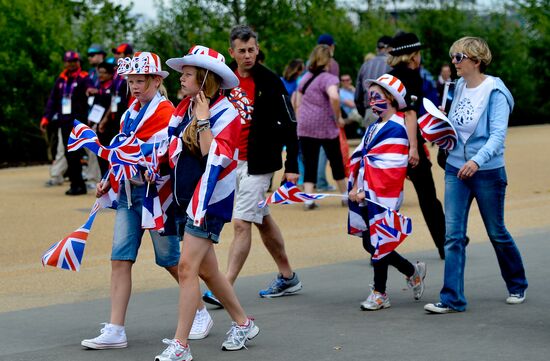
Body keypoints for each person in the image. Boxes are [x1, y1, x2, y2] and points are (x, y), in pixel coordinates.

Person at [80, 52, 209, 349]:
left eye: (140, 81)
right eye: (131, 81)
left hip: (156, 197)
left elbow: (169, 154)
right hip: (127, 192)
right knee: (120, 258)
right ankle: (115, 328)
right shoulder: (128, 113)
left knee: (171, 260)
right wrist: (107, 181)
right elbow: (121, 154)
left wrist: (148, 164)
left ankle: (199, 310)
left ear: (155, 80)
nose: (135, 86)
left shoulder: (167, 112)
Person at [154, 45, 259, 361]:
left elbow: (215, 156)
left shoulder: (227, 113)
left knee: (187, 268)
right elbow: (170, 149)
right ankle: (243, 323)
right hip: (186, 200)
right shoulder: (183, 107)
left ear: (204, 79)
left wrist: (202, 121)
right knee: (210, 273)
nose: (181, 78)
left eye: (187, 74)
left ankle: (181, 345)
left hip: (209, 202)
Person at [424, 37, 528, 314]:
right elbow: (454, 128)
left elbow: (497, 137)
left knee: (497, 232)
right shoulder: (456, 87)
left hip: (488, 172)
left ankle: (517, 283)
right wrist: (440, 125)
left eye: (458, 57)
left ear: (476, 60)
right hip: (455, 169)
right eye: (453, 57)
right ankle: (452, 299)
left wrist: (476, 161)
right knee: (453, 235)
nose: (453, 62)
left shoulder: (496, 92)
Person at [201, 25, 301, 306]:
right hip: (230, 161)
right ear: (231, 52)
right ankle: (288, 275)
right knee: (262, 219)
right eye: (241, 51)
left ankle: (224, 288)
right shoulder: (221, 81)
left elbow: (290, 125)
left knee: (242, 223)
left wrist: (292, 164)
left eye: (251, 50)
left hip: (260, 162)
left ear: (257, 49)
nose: (247, 55)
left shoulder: (270, 81)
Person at [348, 74, 426, 310]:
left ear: (391, 98)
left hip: (384, 193)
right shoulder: (373, 127)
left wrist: (368, 190)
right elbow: (362, 158)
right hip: (367, 191)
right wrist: (356, 186)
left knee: (378, 239)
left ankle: (380, 293)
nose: (372, 101)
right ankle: (412, 271)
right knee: (370, 243)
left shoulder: (400, 126)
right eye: (370, 97)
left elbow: (392, 165)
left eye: (377, 96)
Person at [388, 32, 446, 259]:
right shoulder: (412, 77)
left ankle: (380, 246)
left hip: (388, 142)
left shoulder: (389, 76)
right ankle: (444, 242)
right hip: (407, 142)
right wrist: (413, 147)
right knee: (427, 196)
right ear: (412, 56)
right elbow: (410, 113)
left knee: (387, 198)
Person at [295, 44, 348, 210]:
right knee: (336, 160)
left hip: (305, 125)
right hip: (325, 126)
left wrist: (299, 119)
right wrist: (338, 116)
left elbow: (298, 100)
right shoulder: (329, 78)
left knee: (309, 161)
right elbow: (334, 96)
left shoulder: (305, 77)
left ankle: (308, 199)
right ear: (328, 60)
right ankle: (345, 196)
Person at [40, 51, 91, 195]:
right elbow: (52, 100)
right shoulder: (61, 79)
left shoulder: (84, 78)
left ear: (78, 61)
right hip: (64, 122)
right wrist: (46, 118)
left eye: (74, 61)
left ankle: (80, 184)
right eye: (68, 61)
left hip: (78, 122)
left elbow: (92, 93)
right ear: (65, 62)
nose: (71, 63)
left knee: (76, 153)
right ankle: (76, 184)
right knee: (69, 154)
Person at [316, 33, 340, 191]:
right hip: (326, 112)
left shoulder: (310, 62)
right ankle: (322, 181)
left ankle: (312, 181)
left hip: (310, 111)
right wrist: (337, 116)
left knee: (313, 149)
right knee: (328, 149)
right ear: (331, 46)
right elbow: (334, 93)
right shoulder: (332, 64)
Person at [355, 35, 392, 127]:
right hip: (390, 113)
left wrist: (366, 113)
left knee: (371, 141)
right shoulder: (393, 65)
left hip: (370, 112)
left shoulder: (365, 65)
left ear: (377, 49)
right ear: (390, 48)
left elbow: (357, 97)